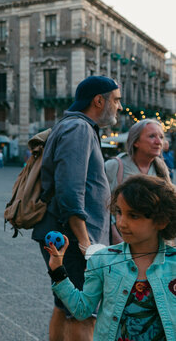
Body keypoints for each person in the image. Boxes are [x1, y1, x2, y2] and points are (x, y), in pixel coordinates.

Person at [34, 75, 122, 341]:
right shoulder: (79, 129)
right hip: (73, 238)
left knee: (65, 306)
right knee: (84, 313)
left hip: (63, 234)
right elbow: (70, 190)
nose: (119, 106)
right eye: (116, 100)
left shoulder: (74, 126)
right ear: (99, 100)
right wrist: (86, 241)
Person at [45, 174, 176, 341]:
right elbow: (81, 309)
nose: (121, 223)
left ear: (162, 221)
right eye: (119, 212)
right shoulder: (103, 260)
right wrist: (58, 270)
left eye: (133, 215)